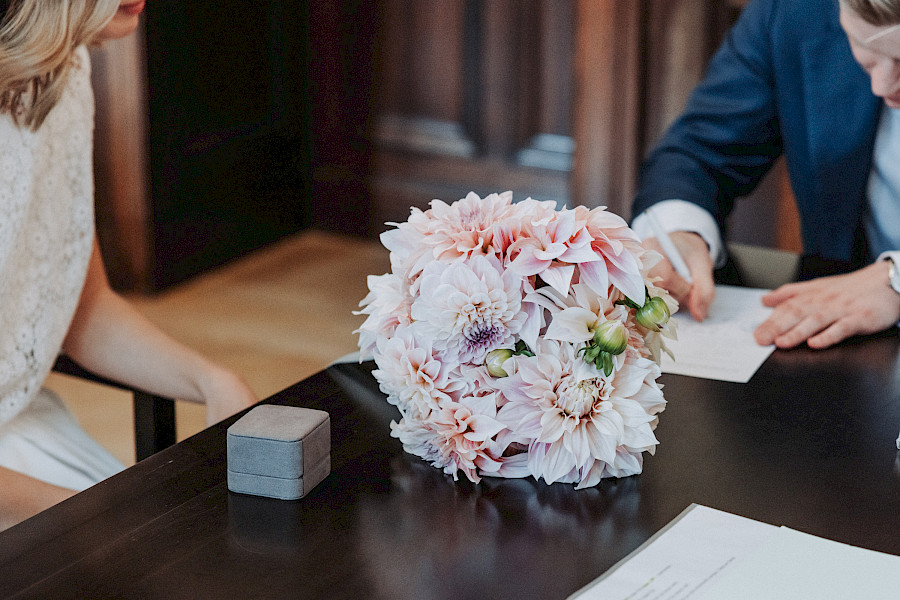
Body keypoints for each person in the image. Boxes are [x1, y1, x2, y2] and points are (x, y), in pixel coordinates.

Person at [0, 0, 258, 530]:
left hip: (20, 432)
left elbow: (83, 309)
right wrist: (98, 521)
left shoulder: (62, 77)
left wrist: (212, 380)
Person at [631, 0, 900, 350]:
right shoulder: (794, 10)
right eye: (865, 51)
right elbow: (700, 151)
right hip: (852, 352)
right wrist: (680, 233)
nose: (881, 86)